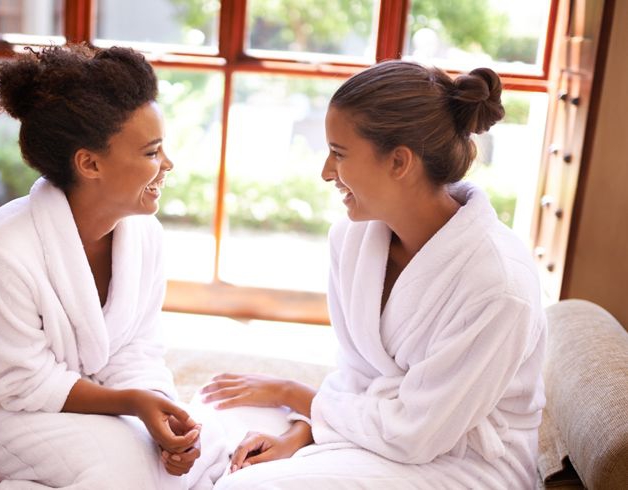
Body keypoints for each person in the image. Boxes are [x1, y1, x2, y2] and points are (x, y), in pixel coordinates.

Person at [202, 60, 547, 489]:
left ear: (399, 162)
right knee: (214, 439)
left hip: (460, 462)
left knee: (247, 485)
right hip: (376, 432)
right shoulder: (351, 239)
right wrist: (301, 430)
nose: (326, 172)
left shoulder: (499, 285)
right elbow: (356, 376)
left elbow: (417, 435)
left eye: (339, 154)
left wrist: (294, 395)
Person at [0, 43, 227, 490]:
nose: (168, 165)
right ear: (89, 163)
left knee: (209, 450)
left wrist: (158, 412)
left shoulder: (144, 236)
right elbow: (22, 382)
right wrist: (131, 403)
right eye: (151, 152)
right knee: (130, 473)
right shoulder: (0, 251)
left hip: (86, 396)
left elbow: (137, 348)